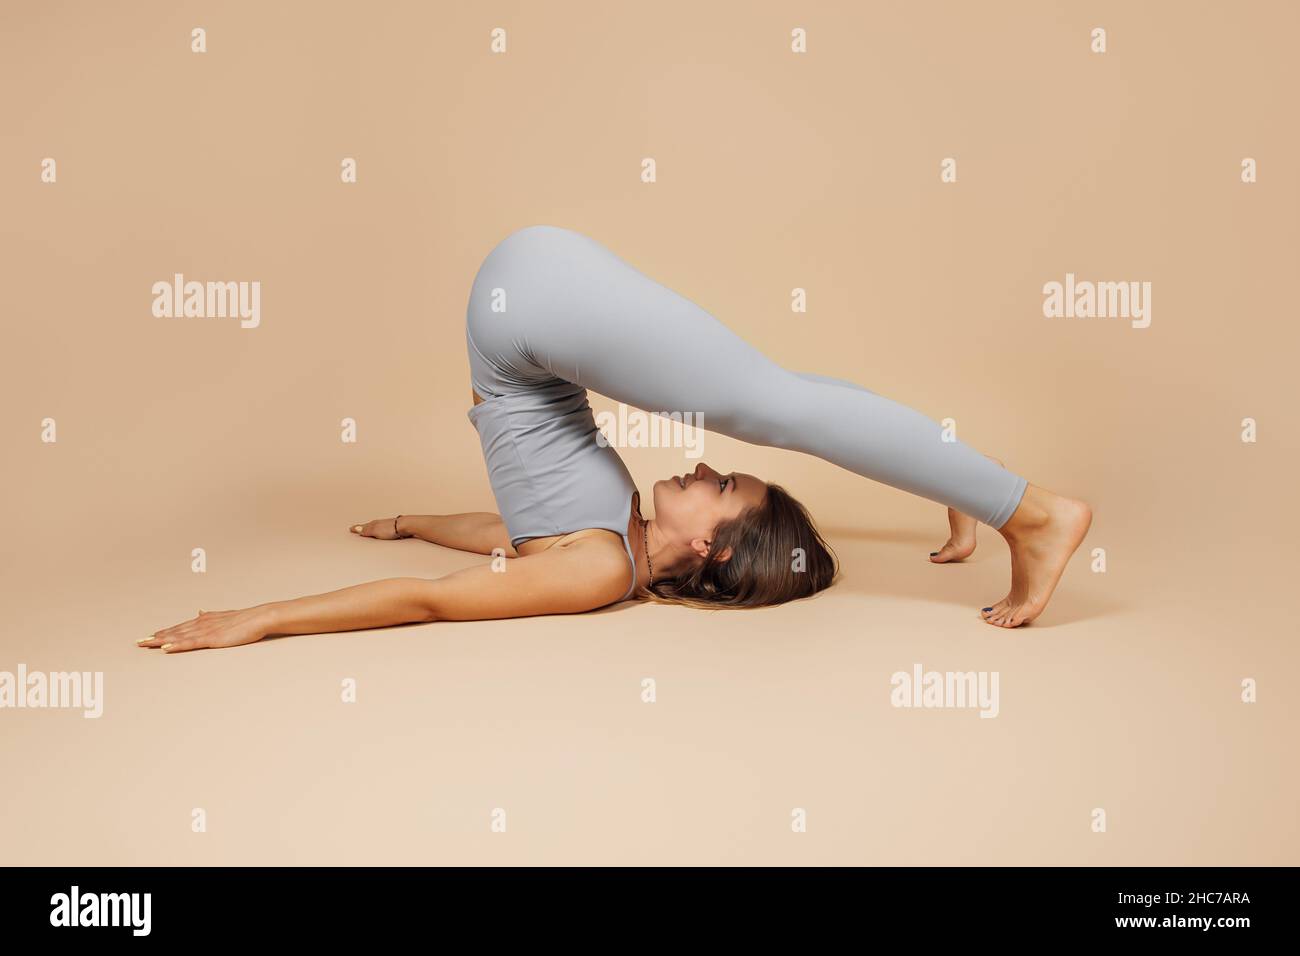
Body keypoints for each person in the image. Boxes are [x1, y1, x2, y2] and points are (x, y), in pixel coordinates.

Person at [141, 225, 1090, 653]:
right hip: (530, 308)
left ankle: (1023, 507)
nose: (709, 468)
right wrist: (412, 520)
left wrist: (263, 616)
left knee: (778, 398)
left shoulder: (596, 567)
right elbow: (512, 541)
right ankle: (991, 492)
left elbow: (445, 592)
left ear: (709, 545)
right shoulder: (608, 550)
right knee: (777, 397)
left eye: (724, 487)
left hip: (533, 306)